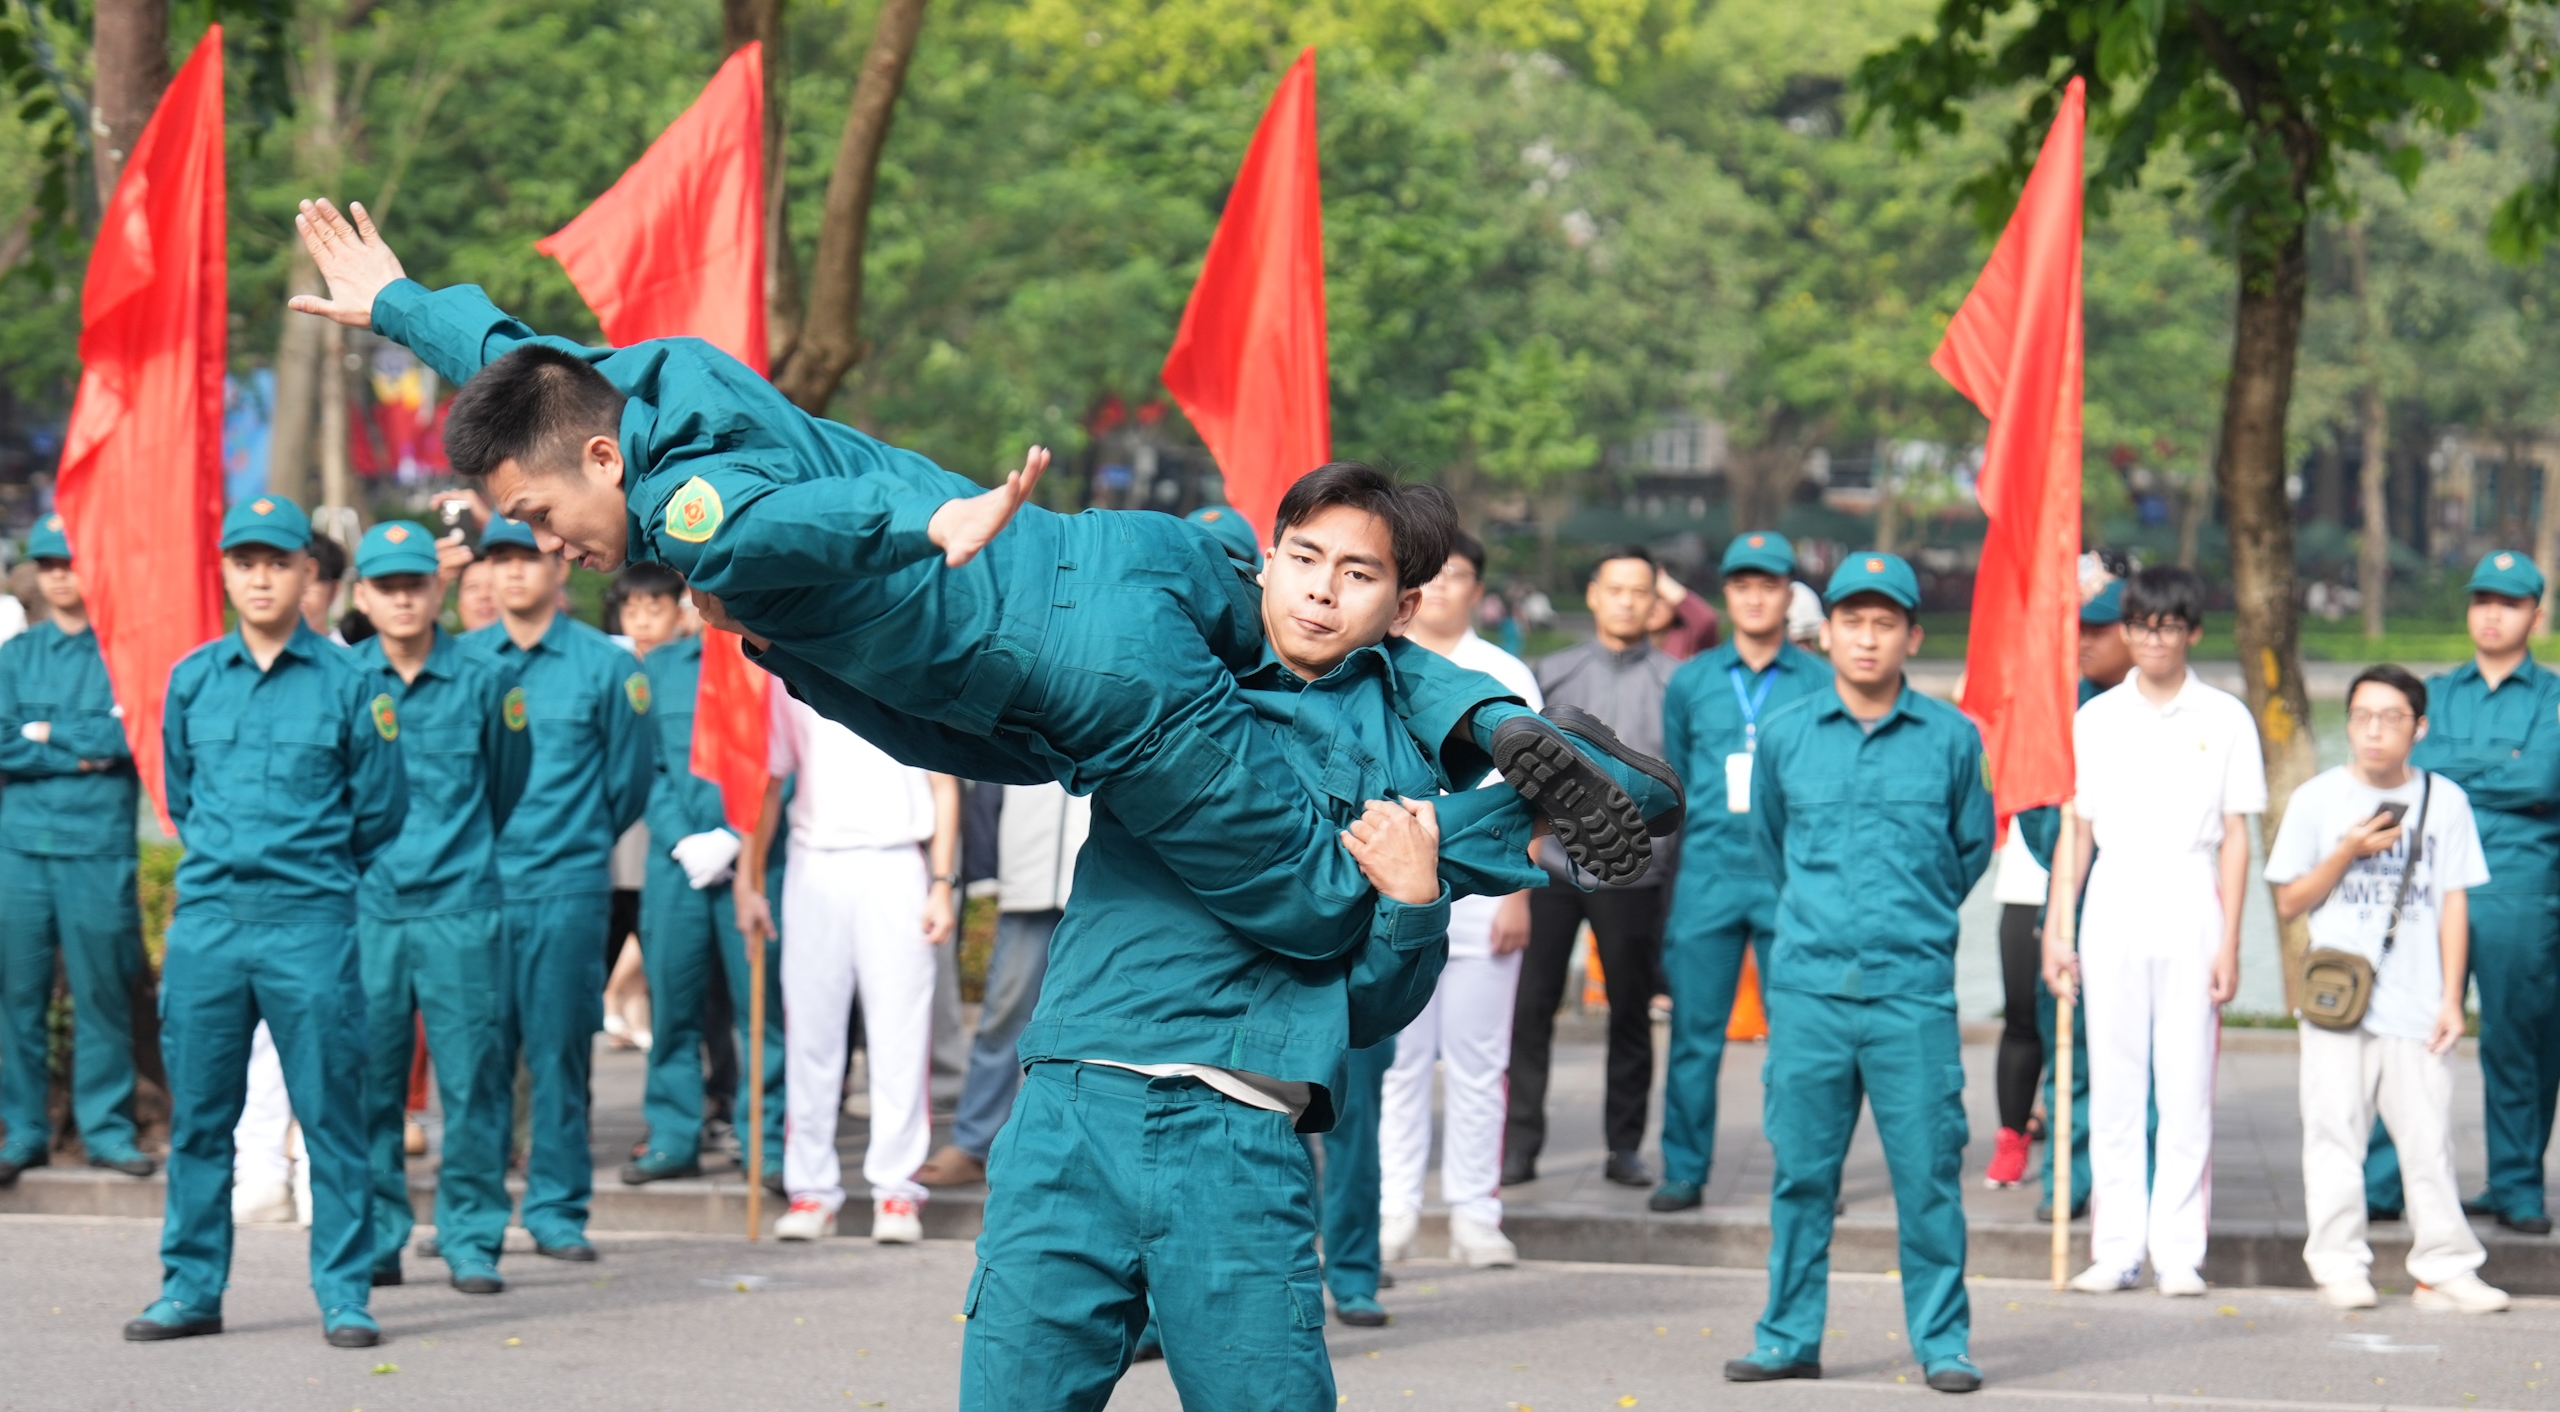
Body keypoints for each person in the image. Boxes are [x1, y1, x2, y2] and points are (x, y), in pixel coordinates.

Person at [288, 199, 1680, 941]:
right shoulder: (636, 385)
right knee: (1324, 644)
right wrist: (410, 309)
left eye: (541, 515)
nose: (549, 543)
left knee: (1313, 893)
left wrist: (909, 530)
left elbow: (759, 533)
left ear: (603, 466)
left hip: (1090, 676)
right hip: (1130, 554)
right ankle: (1500, 725)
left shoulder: (690, 504)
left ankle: (1532, 831)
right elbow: (524, 367)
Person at [943, 463, 1473, 1412]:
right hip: (1070, 1118)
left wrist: (1410, 904)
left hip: (1236, 1147)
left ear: (1400, 606)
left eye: (1360, 575)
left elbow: (1376, 1006)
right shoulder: (1174, 673)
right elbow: (991, 655)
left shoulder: (1406, 765)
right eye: (1305, 557)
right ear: (1267, 559)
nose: (1322, 592)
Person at [126, 495, 408, 1347]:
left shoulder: (353, 678)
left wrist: (312, 873)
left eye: (277, 562)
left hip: (310, 922)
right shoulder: (192, 680)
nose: (260, 576)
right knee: (203, 1116)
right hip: (211, 922)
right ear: (225, 571)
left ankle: (345, 1292)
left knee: (331, 1112)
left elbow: (382, 807)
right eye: (244, 561)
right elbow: (180, 798)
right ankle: (191, 1286)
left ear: (306, 575)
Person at [1724, 552, 1993, 1394]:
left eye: (1885, 623)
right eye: (1852, 621)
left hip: (1911, 992)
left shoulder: (1951, 737)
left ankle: (1943, 1340)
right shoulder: (1790, 734)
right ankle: (1788, 1334)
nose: (1867, 639)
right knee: (1803, 1173)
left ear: (1912, 634)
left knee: (1928, 1176)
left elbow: (1970, 848)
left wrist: (1909, 921)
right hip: (1809, 990)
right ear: (1827, 631)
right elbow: (1772, 846)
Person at [2046, 565, 2264, 1297]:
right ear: (2127, 629)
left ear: (2192, 631)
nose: (2153, 638)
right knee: (2113, 1082)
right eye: (2141, 625)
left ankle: (2177, 1249)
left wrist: (2230, 939)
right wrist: (2057, 927)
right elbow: (2075, 831)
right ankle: (2115, 1246)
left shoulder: (2225, 717)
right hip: (2114, 893)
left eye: (2168, 626)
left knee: (2185, 1082)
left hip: (2188, 892)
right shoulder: (2097, 717)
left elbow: (2237, 837)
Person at [2265, 664, 2508, 1314]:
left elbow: (2453, 901)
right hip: (2335, 999)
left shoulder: (2445, 801)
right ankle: (2340, 1262)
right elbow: (2289, 901)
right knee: (2332, 1131)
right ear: (2347, 722)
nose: (2374, 731)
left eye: (2391, 717)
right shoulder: (2318, 798)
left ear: (2419, 727)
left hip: (2417, 997)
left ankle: (2446, 1264)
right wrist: (2345, 851)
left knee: (2429, 1138)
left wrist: (2453, 997)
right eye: (2362, 716)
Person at [455, 513, 653, 1262]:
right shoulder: (461, 660)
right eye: (498, 559)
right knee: (475, 1055)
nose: (512, 572)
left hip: (567, 886)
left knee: (560, 1050)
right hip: (476, 885)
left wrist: (575, 840)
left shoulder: (608, 669)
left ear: (559, 568)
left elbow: (627, 783)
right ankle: (471, 1215)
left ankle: (557, 1208)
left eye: (528, 556)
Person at [346, 520, 529, 1293]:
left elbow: (506, 781)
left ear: (439, 587)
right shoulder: (340, 678)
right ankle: (380, 1234)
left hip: (460, 905)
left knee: (473, 1080)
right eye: (385, 586)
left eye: (415, 583)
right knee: (370, 1082)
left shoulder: (487, 679)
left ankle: (472, 1235)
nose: (402, 598)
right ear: (362, 595)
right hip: (371, 908)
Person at [2371, 551, 2560, 1237]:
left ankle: (2515, 1186)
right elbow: (2410, 766)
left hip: (2520, 887)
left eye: (2508, 602)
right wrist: (2500, 769)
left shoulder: (2553, 696)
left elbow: (2543, 778)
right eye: (2482, 598)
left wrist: (2461, 770)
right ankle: (2385, 1183)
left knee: (2519, 1036)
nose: (2492, 612)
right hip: (2430, 881)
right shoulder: (2438, 692)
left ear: (2534, 615)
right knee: (2411, 1029)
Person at [737, 676, 956, 1242]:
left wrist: (940, 882)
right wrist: (748, 878)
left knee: (900, 1036)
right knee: (810, 1035)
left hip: (896, 863)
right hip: (816, 864)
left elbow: (944, 782)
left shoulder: (911, 661)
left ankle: (898, 1192)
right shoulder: (791, 672)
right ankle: (810, 1190)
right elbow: (768, 781)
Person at [1377, 531, 1543, 1266]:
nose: (1443, 587)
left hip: (1481, 894)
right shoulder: (1377, 660)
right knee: (1400, 1059)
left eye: (1459, 575)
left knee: (1479, 1059)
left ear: (1479, 588)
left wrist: (1519, 893)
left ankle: (1476, 1212)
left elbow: (1535, 794)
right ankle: (1393, 1207)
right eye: (1431, 575)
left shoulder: (1505, 673)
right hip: (1393, 889)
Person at [1652, 531, 1825, 1213]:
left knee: (1802, 1033)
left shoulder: (1816, 680)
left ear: (1788, 594)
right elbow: (1675, 773)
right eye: (1744, 584)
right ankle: (1684, 1168)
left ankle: (1806, 1170)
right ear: (1727, 593)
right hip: (1709, 874)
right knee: (1695, 1032)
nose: (1756, 597)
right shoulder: (1692, 679)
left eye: (1770, 584)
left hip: (1790, 877)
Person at [1504, 546, 1682, 1188]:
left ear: (1656, 601)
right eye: (1617, 589)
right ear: (1595, 594)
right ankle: (1520, 1143)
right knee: (1531, 1007)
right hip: (1551, 866)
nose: (1628, 601)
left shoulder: (1675, 681)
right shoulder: (1551, 672)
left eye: (1641, 591)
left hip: (1636, 870)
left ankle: (1624, 1146)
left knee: (1631, 1011)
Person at [616, 560, 788, 1191]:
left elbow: (787, 764)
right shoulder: (659, 670)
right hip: (678, 866)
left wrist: (737, 837)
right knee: (674, 1007)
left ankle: (766, 1141)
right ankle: (672, 1134)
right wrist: (685, 836)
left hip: (754, 861)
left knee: (759, 1012)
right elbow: (644, 765)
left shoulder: (779, 664)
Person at [0, 512, 154, 1184]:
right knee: (18, 995)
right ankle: (25, 1128)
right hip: (20, 850)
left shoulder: (125, 653)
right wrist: (81, 744)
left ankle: (107, 1129)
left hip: (98, 849)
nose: (62, 575)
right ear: (37, 571)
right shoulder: (15, 656)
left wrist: (42, 738)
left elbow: (127, 739)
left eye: (73, 562)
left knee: (101, 993)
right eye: (51, 564)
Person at [1998, 577, 2138, 1208]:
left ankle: (2139, 1185)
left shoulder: (2170, 712)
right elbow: (2032, 810)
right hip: (2074, 895)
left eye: (2099, 629)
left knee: (2148, 1056)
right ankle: (2067, 1180)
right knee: (2069, 1047)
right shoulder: (2062, 708)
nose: (2083, 641)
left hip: (2148, 899)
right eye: (2078, 628)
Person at [922, 779, 1090, 1189]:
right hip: (1026, 882)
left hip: (1102, 887)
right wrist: (984, 875)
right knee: (1002, 1016)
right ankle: (973, 1143)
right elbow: (989, 790)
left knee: (1094, 1025)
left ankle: (1080, 1154)